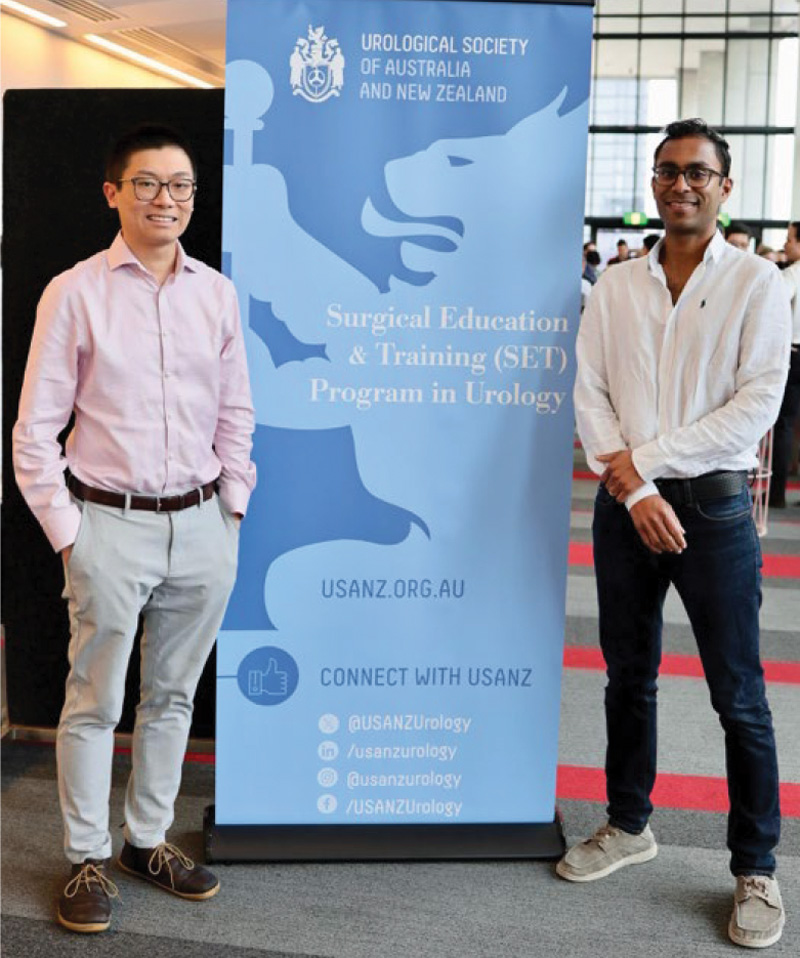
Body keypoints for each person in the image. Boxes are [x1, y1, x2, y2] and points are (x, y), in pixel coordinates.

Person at [12, 124, 256, 934]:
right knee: (94, 700)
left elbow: (235, 410)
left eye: (180, 186)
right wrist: (70, 534)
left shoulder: (215, 293)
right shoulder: (74, 292)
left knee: (173, 696)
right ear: (113, 193)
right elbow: (33, 433)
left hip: (203, 524)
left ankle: (145, 841)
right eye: (147, 184)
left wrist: (232, 507)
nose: (166, 199)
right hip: (107, 525)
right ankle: (86, 854)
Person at [562, 118, 790, 950]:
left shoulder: (757, 284)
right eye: (667, 171)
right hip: (625, 509)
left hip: (713, 508)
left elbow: (755, 404)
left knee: (739, 694)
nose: (680, 184)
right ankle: (629, 824)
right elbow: (589, 389)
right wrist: (632, 488)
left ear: (725, 186)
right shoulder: (618, 285)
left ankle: (756, 866)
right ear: (652, 183)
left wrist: (643, 468)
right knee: (629, 676)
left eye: (697, 172)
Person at [768, 221, 800, 507]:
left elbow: (774, 308)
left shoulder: (792, 274)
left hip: (794, 356)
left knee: (784, 425)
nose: (785, 245)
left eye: (789, 239)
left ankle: (776, 494)